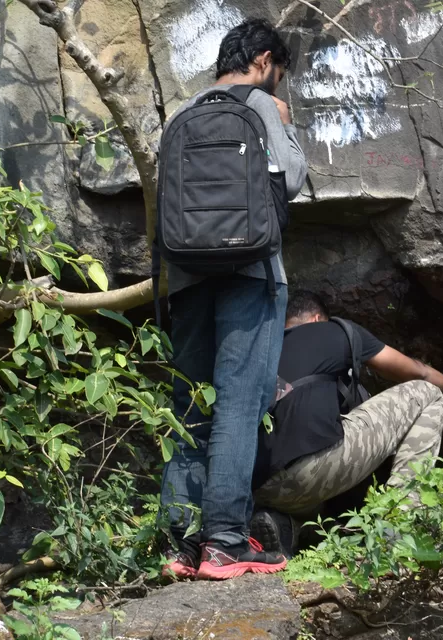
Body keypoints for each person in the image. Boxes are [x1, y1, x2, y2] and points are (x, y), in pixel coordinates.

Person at [159, 18, 308, 581]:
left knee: (189, 407)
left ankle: (179, 545)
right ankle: (224, 542)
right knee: (241, 405)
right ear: (265, 60)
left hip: (189, 278)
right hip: (251, 273)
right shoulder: (263, 106)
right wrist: (286, 129)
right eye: (279, 75)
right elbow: (290, 180)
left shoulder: (183, 113)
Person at [250, 291, 443, 552]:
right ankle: (401, 525)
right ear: (317, 319)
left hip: (260, 487)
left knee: (317, 497)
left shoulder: (260, 352)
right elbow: (419, 372)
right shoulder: (334, 331)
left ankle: (284, 526)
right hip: (315, 469)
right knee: (426, 394)